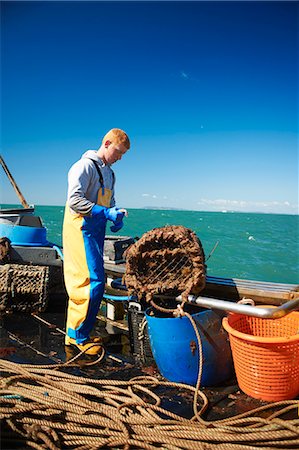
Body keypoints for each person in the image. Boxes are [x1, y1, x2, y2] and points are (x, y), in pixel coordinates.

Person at [63, 128, 130, 355]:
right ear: (107, 143)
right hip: (80, 229)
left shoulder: (110, 173)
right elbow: (74, 200)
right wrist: (104, 212)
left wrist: (115, 214)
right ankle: (76, 337)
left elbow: (109, 201)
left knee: (96, 281)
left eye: (122, 155)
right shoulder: (83, 167)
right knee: (89, 282)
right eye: (118, 152)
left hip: (96, 231)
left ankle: (82, 330)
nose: (119, 158)